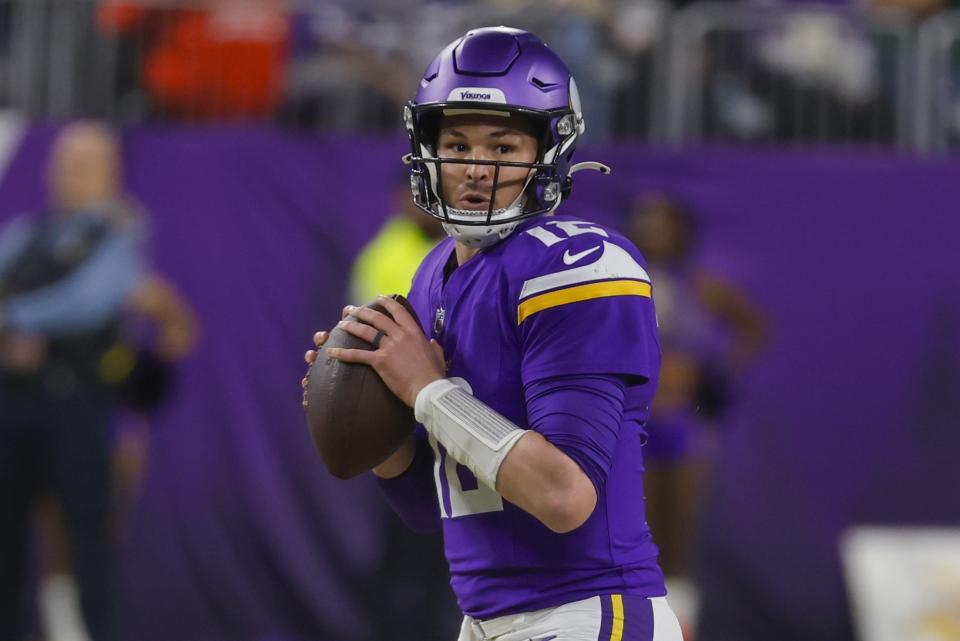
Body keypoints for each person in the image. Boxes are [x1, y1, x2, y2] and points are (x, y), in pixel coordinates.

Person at [304, 27, 684, 640]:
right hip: (486, 621)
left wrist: (427, 390)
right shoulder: (434, 274)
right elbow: (437, 508)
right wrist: (378, 415)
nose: (476, 169)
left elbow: (564, 497)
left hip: (587, 613)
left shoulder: (579, 264)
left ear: (548, 152)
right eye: (456, 144)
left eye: (503, 148)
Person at [625, 194, 766, 634]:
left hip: (683, 424)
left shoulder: (704, 287)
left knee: (680, 535)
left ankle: (679, 626)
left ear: (682, 231)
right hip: (636, 424)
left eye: (663, 224)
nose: (655, 234)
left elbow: (753, 329)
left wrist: (718, 376)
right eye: (645, 224)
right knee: (637, 529)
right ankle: (639, 622)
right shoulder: (622, 283)